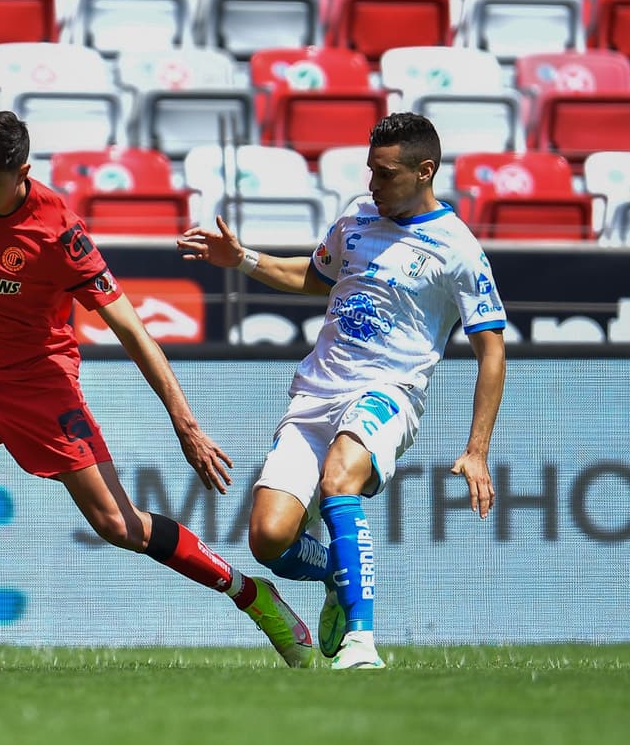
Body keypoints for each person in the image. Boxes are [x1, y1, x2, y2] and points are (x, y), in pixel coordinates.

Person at [0, 111, 313, 668]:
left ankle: (251, 594)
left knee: (119, 525)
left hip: (39, 387)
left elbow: (132, 330)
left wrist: (185, 423)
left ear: (23, 174)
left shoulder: (60, 235)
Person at [177, 112, 507, 670]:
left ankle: (361, 642)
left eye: (386, 174)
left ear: (425, 171)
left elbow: (491, 351)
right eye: (371, 171)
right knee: (269, 540)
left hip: (388, 392)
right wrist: (243, 259)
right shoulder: (357, 215)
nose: (373, 184)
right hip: (316, 395)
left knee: (339, 477)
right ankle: (338, 575)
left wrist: (477, 450)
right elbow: (315, 277)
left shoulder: (459, 249)